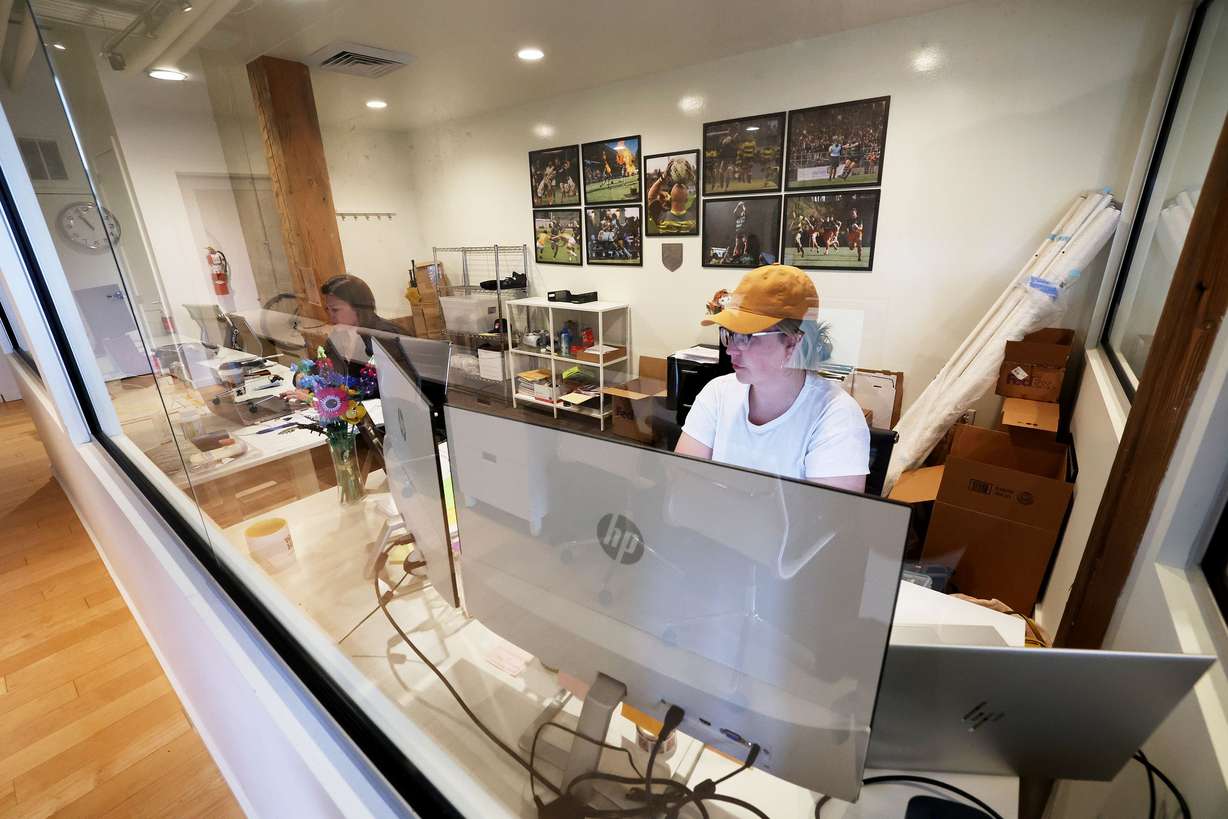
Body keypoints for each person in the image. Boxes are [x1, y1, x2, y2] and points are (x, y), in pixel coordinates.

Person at [675, 264, 869, 492]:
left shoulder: (837, 417)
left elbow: (827, 523)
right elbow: (682, 489)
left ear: (793, 341)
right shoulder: (717, 393)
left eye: (746, 336)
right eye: (730, 335)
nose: (730, 350)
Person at [291, 274, 405, 399]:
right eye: (327, 309)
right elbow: (321, 364)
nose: (330, 316)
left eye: (335, 310)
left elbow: (382, 391)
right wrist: (302, 376)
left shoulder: (385, 336)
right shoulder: (340, 332)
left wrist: (316, 398)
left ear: (358, 307)